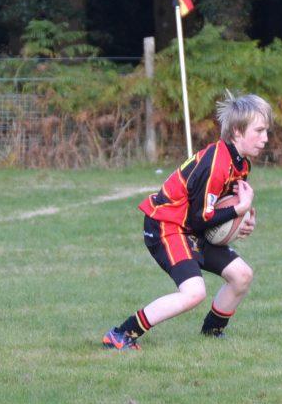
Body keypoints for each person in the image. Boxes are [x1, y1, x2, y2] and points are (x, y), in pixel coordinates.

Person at [102, 93, 273, 350]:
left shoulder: (241, 163)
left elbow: (222, 210)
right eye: (259, 131)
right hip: (166, 226)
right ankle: (121, 334)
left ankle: (211, 333)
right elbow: (201, 217)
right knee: (194, 293)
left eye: (266, 131)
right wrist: (239, 209)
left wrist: (244, 218)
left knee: (242, 275)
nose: (265, 138)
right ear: (237, 132)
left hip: (191, 228)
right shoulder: (216, 163)